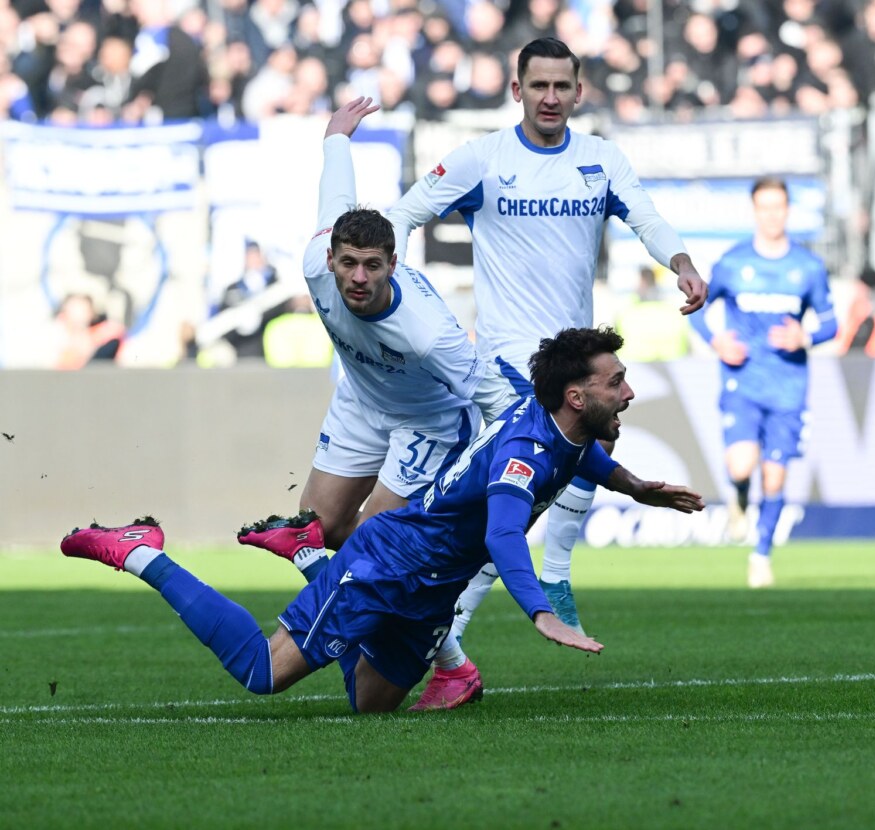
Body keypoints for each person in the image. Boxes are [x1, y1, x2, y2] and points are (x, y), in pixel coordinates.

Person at [60, 327, 706, 714]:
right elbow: (502, 533)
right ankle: (141, 552)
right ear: (577, 396)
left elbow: (581, 455)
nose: (628, 392)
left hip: (433, 587)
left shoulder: (561, 429)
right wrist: (541, 613)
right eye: (617, 382)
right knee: (263, 672)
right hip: (388, 561)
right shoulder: (523, 456)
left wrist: (635, 488)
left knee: (370, 705)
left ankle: (308, 555)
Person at [368, 36, 706, 707]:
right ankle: (529, 591)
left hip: (573, 358)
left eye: (562, 86)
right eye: (539, 86)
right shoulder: (483, 159)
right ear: (517, 90)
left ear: (579, 92)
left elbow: (646, 218)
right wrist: (393, 299)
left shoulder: (600, 160)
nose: (551, 98)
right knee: (534, 489)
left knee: (521, 503)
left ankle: (455, 645)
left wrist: (682, 263)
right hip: (506, 361)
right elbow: (403, 215)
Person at [247, 97, 516, 558]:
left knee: (374, 543)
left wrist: (528, 474)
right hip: (362, 399)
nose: (358, 278)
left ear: (393, 265)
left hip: (429, 421)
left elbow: (500, 402)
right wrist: (336, 138)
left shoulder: (428, 333)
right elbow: (336, 197)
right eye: (348, 263)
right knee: (318, 529)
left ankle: (422, 570)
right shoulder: (314, 267)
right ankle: (415, 554)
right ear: (329, 258)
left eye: (372, 266)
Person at [689, 177, 837, 589]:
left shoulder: (808, 267)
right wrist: (716, 340)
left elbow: (831, 324)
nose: (772, 215)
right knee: (741, 465)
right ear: (755, 211)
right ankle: (738, 495)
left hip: (788, 386)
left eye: (778, 207)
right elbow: (697, 307)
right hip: (743, 381)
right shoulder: (733, 262)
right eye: (765, 207)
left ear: (788, 211)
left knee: (774, 477)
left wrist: (805, 337)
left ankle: (761, 556)